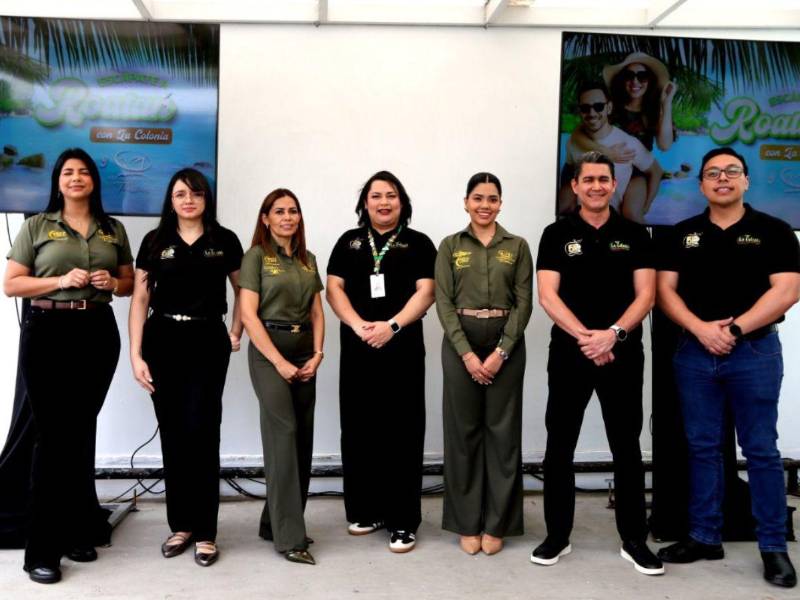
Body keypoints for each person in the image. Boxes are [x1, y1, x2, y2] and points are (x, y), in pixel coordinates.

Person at [656, 147, 800, 588]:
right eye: (713, 173)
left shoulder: (774, 231)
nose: (723, 178)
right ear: (701, 184)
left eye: (731, 172)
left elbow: (787, 291)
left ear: (746, 180)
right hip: (695, 354)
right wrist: (702, 329)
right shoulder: (681, 234)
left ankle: (773, 546)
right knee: (702, 447)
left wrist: (732, 331)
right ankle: (704, 536)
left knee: (760, 450)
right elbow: (665, 292)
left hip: (754, 353)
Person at [3, 148, 134, 584]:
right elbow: (11, 284)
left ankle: (79, 530)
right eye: (67, 173)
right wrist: (60, 280)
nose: (75, 178)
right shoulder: (37, 226)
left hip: (97, 333)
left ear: (94, 181)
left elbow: (129, 282)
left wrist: (112, 283)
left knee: (79, 434)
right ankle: (41, 549)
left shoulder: (112, 229)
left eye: (83, 172)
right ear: (57, 181)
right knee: (51, 439)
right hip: (47, 332)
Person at [534, 151, 663, 576]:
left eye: (603, 180)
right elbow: (548, 296)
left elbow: (646, 295)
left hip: (622, 352)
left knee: (626, 446)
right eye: (587, 179)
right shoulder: (555, 234)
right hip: (571, 352)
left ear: (614, 184)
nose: (595, 186)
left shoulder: (636, 233)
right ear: (575, 186)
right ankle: (558, 536)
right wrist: (587, 338)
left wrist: (613, 334)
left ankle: (632, 538)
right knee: (560, 445)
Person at [128, 168, 242, 568]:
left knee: (203, 431)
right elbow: (140, 301)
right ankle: (181, 526)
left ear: (206, 198)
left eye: (195, 193)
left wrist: (236, 329)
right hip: (163, 340)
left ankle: (207, 532)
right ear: (170, 200)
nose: (188, 199)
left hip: (208, 341)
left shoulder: (223, 239)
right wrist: (136, 354)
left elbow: (244, 290)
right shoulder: (155, 241)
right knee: (175, 434)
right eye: (180, 194)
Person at [326, 171, 436, 553]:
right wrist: (359, 325)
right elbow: (333, 288)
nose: (384, 202)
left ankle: (402, 521)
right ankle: (364, 509)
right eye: (376, 196)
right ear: (365, 203)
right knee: (358, 428)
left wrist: (391, 326)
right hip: (358, 347)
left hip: (401, 348)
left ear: (402, 202)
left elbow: (428, 291)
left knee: (403, 432)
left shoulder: (418, 243)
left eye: (391, 195)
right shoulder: (349, 242)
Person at [434, 172, 533, 556]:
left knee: (502, 436)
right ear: (465, 202)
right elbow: (443, 303)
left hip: (506, 346)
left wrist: (501, 352)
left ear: (501, 204)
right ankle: (466, 521)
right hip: (461, 346)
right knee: (463, 436)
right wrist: (468, 355)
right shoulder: (449, 246)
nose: (485, 205)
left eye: (492, 199)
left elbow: (524, 302)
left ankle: (498, 523)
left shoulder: (518, 246)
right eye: (478, 198)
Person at [240, 189, 325, 566]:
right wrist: (278, 361)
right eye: (279, 211)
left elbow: (318, 313)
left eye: (293, 210)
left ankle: (273, 522)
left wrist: (318, 354)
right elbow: (247, 315)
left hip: (305, 352)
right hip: (268, 352)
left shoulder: (309, 260)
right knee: (283, 434)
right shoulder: (256, 257)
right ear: (265, 218)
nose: (287, 217)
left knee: (302, 438)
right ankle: (290, 537)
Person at [558, 81, 663, 224]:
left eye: (598, 107)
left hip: (616, 225)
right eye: (585, 108)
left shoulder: (628, 144)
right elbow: (568, 168)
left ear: (609, 108)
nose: (592, 113)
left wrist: (646, 206)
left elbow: (655, 171)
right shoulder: (573, 142)